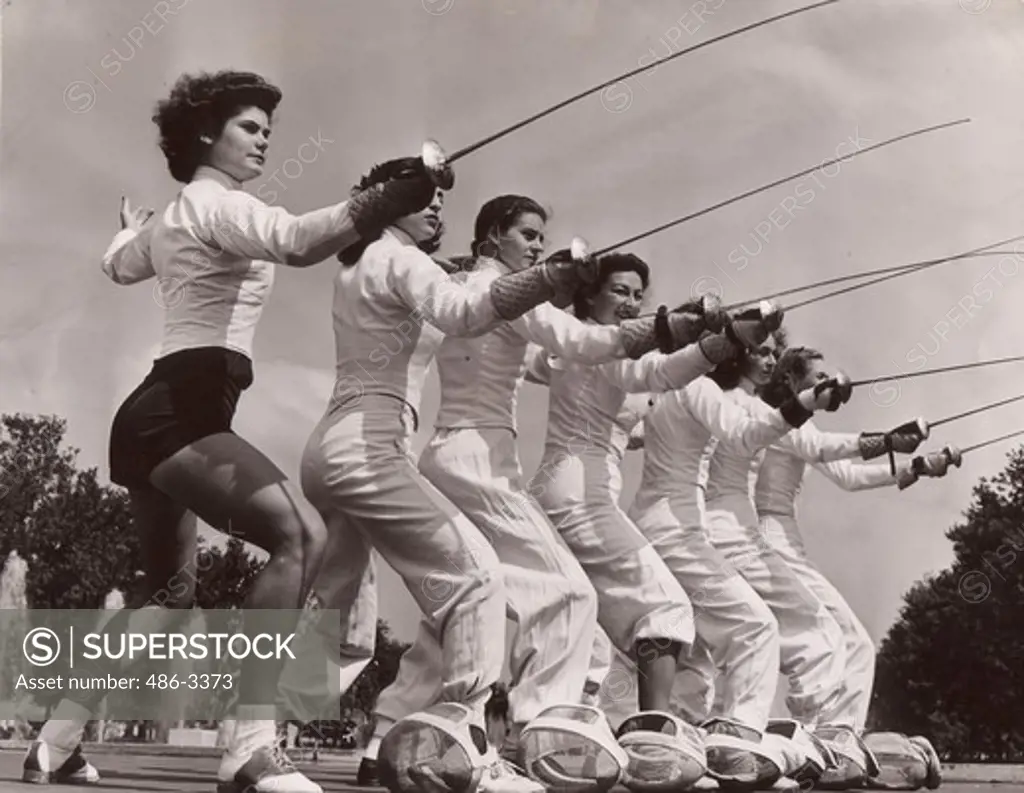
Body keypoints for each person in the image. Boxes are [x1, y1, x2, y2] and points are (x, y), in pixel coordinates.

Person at [23, 70, 446, 793]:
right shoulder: (219, 205)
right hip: (178, 412)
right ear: (204, 136)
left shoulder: (170, 221)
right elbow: (297, 240)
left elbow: (117, 265)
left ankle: (54, 745)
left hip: (156, 415)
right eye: (250, 126)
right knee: (300, 537)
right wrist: (383, 200)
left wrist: (132, 226)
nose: (264, 137)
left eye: (265, 128)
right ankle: (248, 746)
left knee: (168, 596)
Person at [361, 196, 726, 784]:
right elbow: (584, 344)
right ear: (492, 237)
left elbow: (553, 355)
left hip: (444, 454)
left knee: (462, 599)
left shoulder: (455, 290)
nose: (537, 245)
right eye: (528, 235)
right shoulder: (507, 295)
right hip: (481, 461)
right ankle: (538, 735)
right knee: (569, 594)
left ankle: (385, 736)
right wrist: (668, 327)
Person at [298, 182, 606, 792]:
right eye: (421, 193)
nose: (437, 205)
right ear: (386, 205)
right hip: (370, 446)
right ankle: (467, 746)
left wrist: (502, 273)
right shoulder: (402, 258)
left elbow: (464, 303)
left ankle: (251, 737)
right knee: (480, 577)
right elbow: (465, 312)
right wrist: (547, 279)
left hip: (338, 444)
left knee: (343, 624)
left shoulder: (365, 260)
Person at [526, 253, 783, 718]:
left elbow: (621, 400)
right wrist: (722, 342)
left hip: (568, 487)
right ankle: (654, 733)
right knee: (664, 607)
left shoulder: (577, 343)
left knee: (576, 615)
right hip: (577, 494)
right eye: (619, 291)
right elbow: (655, 372)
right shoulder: (600, 344)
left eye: (637, 294)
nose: (630, 301)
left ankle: (550, 727)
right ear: (589, 294)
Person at [625, 328, 852, 788]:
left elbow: (630, 432)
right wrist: (805, 403)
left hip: (653, 522)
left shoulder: (662, 385)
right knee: (755, 626)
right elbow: (745, 435)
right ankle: (736, 745)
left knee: (694, 643)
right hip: (677, 528)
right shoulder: (700, 386)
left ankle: (679, 749)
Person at [754, 346, 954, 787]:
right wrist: (888, 441)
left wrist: (914, 467)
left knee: (845, 643)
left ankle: (833, 741)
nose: (826, 383)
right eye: (817, 375)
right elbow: (825, 450)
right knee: (842, 642)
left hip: (784, 537)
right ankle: (826, 743)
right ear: (790, 380)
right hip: (768, 536)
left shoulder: (795, 425)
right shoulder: (773, 418)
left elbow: (846, 476)